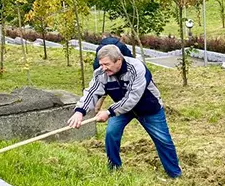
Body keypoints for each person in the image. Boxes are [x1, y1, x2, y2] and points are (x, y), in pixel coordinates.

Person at [67, 44, 182, 178]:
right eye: (101, 64)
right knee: (111, 133)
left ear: (119, 60)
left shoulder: (137, 68)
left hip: (148, 108)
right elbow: (92, 92)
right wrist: (80, 111)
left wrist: (109, 112)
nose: (103, 68)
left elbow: (132, 98)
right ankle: (114, 168)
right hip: (122, 110)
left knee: (163, 139)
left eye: (107, 64)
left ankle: (175, 173)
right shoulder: (100, 73)